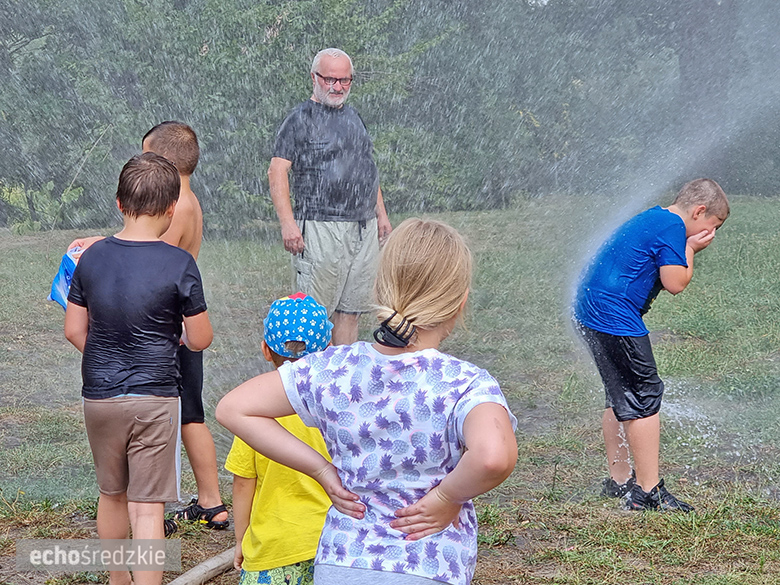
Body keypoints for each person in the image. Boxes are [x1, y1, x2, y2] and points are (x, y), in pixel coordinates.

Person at [216, 218, 518, 585]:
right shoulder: (465, 383)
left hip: (341, 563)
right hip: (427, 565)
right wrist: (446, 497)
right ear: (460, 302)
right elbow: (493, 456)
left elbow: (233, 408)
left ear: (379, 287)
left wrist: (322, 471)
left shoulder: (333, 368)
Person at [69, 121, 228, 530]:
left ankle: (178, 503)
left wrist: (99, 250)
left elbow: (145, 261)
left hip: (160, 339)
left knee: (184, 418)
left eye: (148, 155)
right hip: (167, 334)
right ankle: (208, 500)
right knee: (190, 415)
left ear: (168, 165)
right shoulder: (188, 200)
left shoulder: (180, 209)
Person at [573, 178, 729, 512]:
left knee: (619, 394)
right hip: (613, 318)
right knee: (645, 393)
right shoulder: (674, 226)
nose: (710, 234)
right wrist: (691, 250)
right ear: (699, 211)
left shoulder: (656, 216)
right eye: (712, 226)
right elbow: (675, 282)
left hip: (589, 310)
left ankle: (619, 481)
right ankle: (647, 493)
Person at [268, 47, 393, 346]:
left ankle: (341, 379)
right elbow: (277, 172)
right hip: (321, 226)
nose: (337, 87)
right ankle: (312, 383)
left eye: (344, 80)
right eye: (330, 79)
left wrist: (381, 214)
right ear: (314, 77)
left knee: (351, 311)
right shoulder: (299, 119)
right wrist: (288, 224)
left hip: (362, 227)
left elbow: (367, 169)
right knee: (314, 315)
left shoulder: (353, 117)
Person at [226, 293, 334, 585]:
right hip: (333, 546)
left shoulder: (252, 412)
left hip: (272, 551)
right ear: (329, 349)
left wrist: (241, 539)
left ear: (265, 349)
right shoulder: (340, 408)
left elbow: (243, 482)